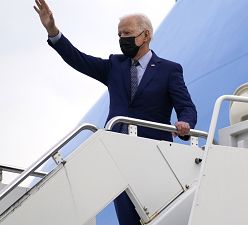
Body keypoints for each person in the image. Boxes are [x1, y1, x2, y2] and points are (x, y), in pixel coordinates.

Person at [33, 0, 197, 224]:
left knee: (160, 215)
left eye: (127, 33)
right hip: (119, 156)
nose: (122, 39)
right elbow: (78, 59)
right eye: (119, 35)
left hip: (154, 156)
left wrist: (185, 124)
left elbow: (186, 107)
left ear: (145, 35)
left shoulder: (169, 70)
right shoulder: (114, 66)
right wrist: (53, 31)